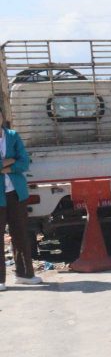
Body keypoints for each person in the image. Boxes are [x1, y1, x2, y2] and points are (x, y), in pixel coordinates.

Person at [1, 112, 42, 291]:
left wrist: (7, 167)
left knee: (21, 235)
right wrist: (8, 162)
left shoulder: (12, 135)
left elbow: (24, 162)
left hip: (16, 193)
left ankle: (25, 274)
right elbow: (17, 161)